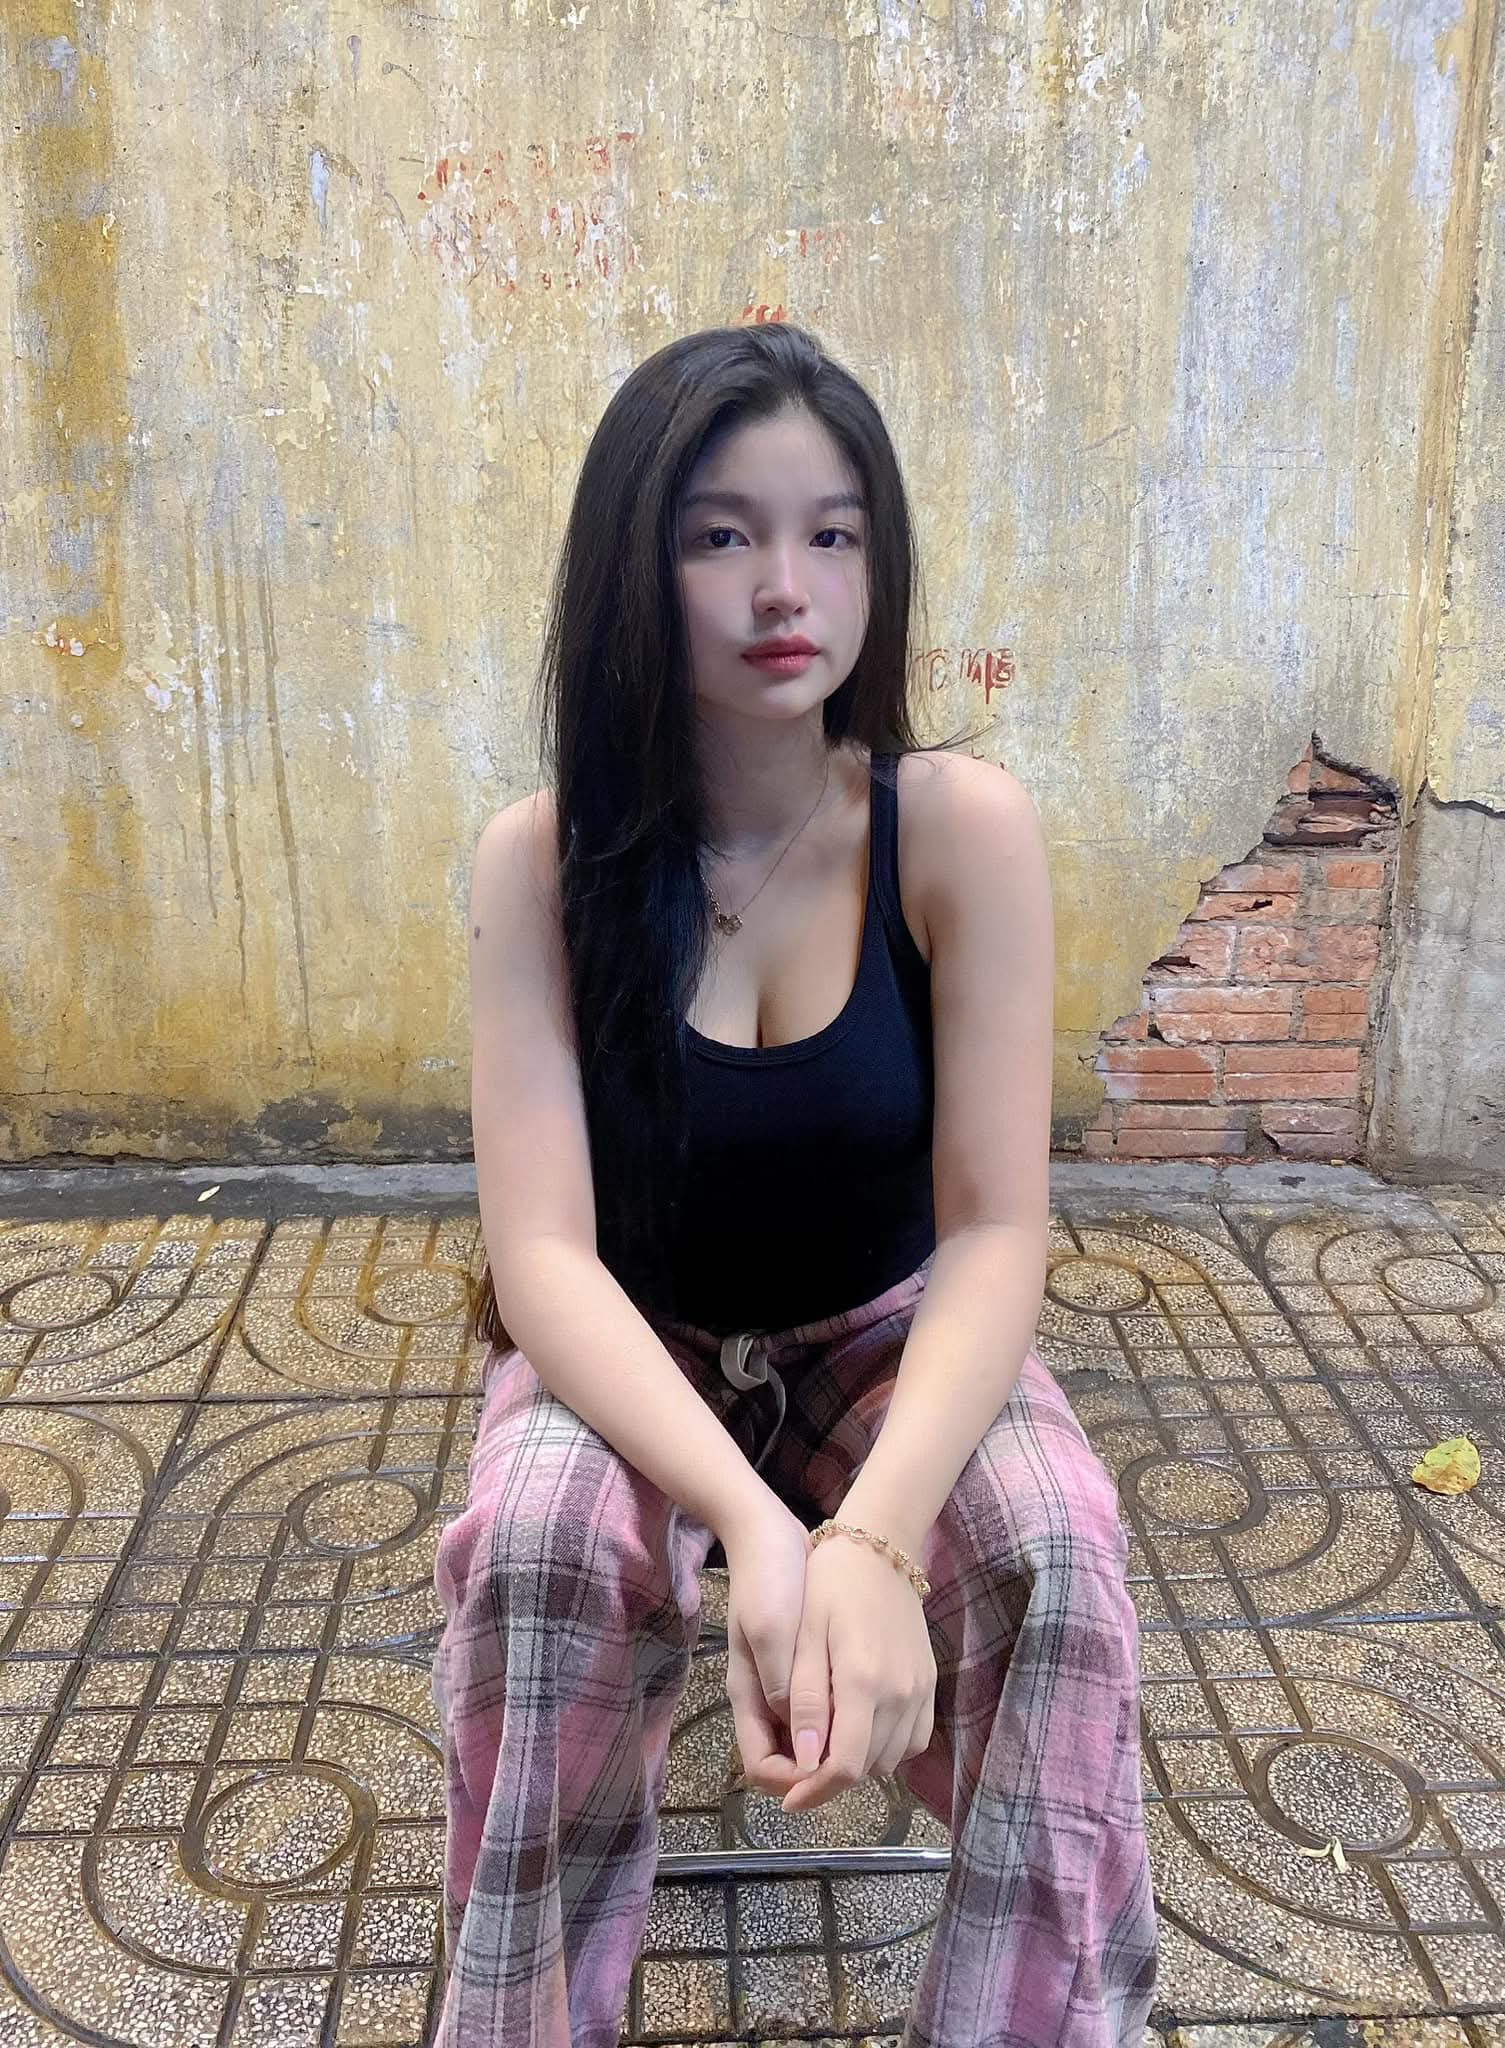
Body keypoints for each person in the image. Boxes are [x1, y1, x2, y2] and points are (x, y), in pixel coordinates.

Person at [430, 321, 1157, 2047]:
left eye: (832, 533)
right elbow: (542, 1257)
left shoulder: (954, 828)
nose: (785, 586)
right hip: (640, 1338)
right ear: (635, 566)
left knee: (1057, 1557)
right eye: (720, 534)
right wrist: (764, 1533)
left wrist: (875, 1542)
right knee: (534, 1553)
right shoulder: (540, 861)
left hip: (882, 1335)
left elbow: (994, 1229)